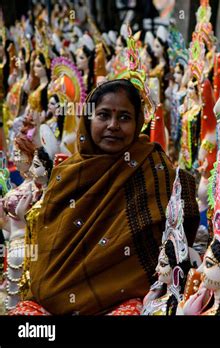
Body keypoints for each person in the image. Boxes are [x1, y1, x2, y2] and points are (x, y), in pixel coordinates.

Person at [10, 79, 200, 315]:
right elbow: (47, 246)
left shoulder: (153, 168)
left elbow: (178, 233)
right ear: (88, 119)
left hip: (122, 301)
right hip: (48, 301)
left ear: (138, 122)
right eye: (103, 115)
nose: (113, 125)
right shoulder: (66, 174)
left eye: (124, 117)